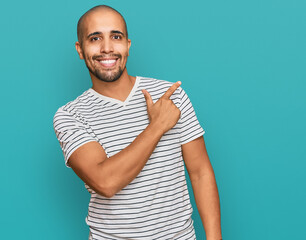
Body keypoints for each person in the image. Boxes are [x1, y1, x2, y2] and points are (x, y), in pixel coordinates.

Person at [53, 5, 222, 240]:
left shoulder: (171, 95)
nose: (107, 48)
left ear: (128, 45)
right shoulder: (70, 116)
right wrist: (157, 126)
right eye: (95, 38)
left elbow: (200, 172)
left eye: (116, 36)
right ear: (80, 50)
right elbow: (106, 182)